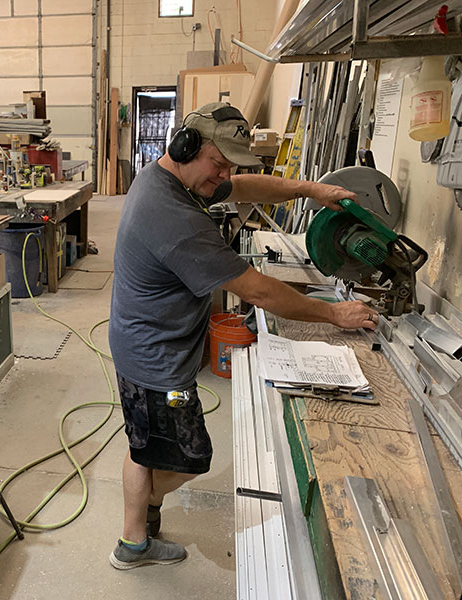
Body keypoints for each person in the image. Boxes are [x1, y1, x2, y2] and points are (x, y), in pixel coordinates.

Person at [108, 102, 377, 570]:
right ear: (186, 146)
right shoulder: (175, 216)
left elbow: (245, 186)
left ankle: (138, 529)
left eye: (229, 165)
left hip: (147, 343)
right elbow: (255, 289)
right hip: (155, 359)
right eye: (219, 164)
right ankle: (133, 539)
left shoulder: (171, 177)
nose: (224, 175)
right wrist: (333, 315)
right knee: (189, 455)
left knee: (146, 443)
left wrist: (310, 189)